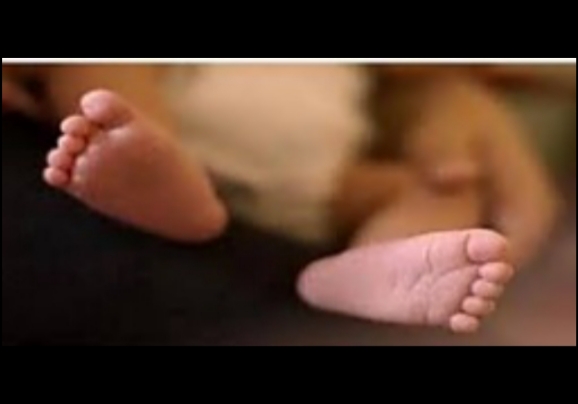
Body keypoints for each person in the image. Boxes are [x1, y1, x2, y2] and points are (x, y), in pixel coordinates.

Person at [2, 64, 559, 333]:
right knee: (101, 71)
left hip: (328, 178)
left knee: (440, 186)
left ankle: (364, 272)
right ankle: (158, 179)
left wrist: (447, 85)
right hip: (182, 103)